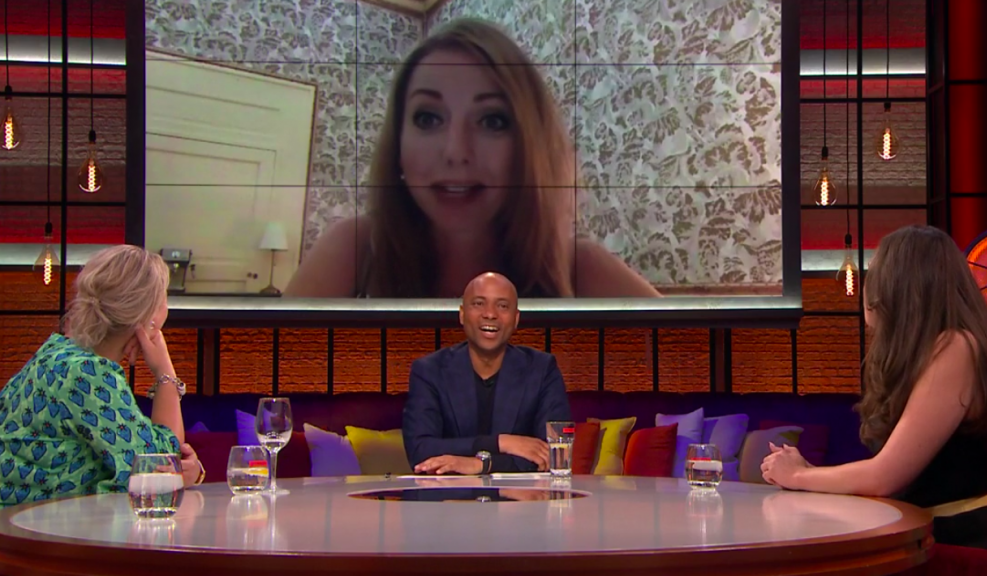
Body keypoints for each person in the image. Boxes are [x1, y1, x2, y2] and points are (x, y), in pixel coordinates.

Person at [285, 18, 659, 299]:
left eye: (492, 121)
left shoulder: (580, 270)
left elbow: (690, 362)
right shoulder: (356, 251)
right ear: (398, 144)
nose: (456, 152)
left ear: (527, 146)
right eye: (428, 118)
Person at [761, 225, 987, 551]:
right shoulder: (929, 352)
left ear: (899, 286)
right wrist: (808, 473)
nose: (869, 286)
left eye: (876, 272)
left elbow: (885, 477)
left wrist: (798, 476)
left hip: (959, 548)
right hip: (921, 539)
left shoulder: (956, 347)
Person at [0, 245, 205, 505]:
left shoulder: (55, 352)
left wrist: (185, 473)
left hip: (28, 522)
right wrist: (165, 372)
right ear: (150, 316)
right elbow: (157, 470)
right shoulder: (88, 374)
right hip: (34, 527)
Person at [402, 272, 572, 474]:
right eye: (479, 304)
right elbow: (420, 451)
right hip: (448, 493)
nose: (490, 314)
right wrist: (500, 443)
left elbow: (554, 455)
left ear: (516, 318)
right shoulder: (429, 371)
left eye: (502, 306)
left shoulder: (542, 370)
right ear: (462, 314)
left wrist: (482, 465)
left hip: (520, 494)